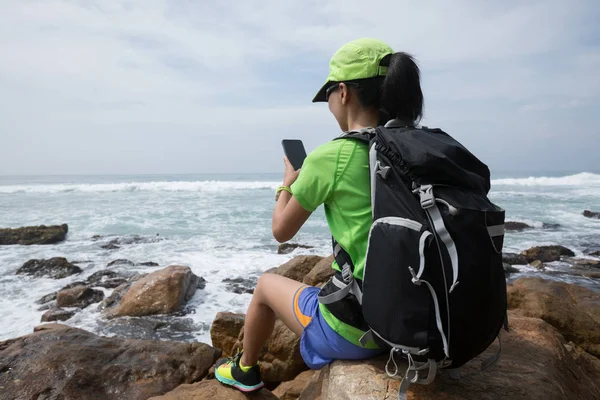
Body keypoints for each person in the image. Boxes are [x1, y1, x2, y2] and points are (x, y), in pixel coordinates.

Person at [214, 38, 424, 392]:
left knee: (266, 284)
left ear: (343, 92)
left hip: (364, 331)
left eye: (327, 93)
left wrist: (286, 185)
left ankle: (245, 371)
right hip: (419, 319)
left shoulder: (333, 157)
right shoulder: (417, 146)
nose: (328, 103)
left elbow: (281, 230)